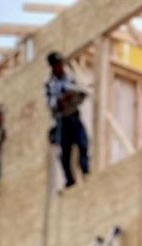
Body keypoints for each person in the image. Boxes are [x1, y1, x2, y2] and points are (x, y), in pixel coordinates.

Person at [45, 52, 91, 188]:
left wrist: (76, 96)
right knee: (65, 153)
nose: (60, 66)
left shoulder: (70, 77)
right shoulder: (49, 84)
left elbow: (80, 93)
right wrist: (60, 101)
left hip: (74, 116)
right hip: (62, 120)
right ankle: (70, 180)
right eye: (57, 64)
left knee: (83, 143)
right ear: (53, 66)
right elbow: (49, 104)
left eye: (61, 63)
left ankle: (85, 171)